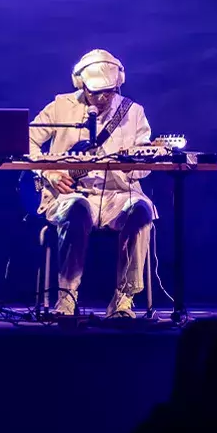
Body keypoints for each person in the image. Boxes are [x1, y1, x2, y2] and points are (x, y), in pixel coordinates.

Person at [29, 49, 156, 318]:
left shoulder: (133, 113)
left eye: (108, 92)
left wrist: (135, 167)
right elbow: (25, 140)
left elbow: (144, 167)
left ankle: (124, 299)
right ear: (81, 84)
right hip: (69, 195)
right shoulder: (60, 106)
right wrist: (48, 173)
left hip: (117, 195)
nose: (101, 98)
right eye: (95, 92)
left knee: (141, 210)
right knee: (77, 208)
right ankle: (66, 299)